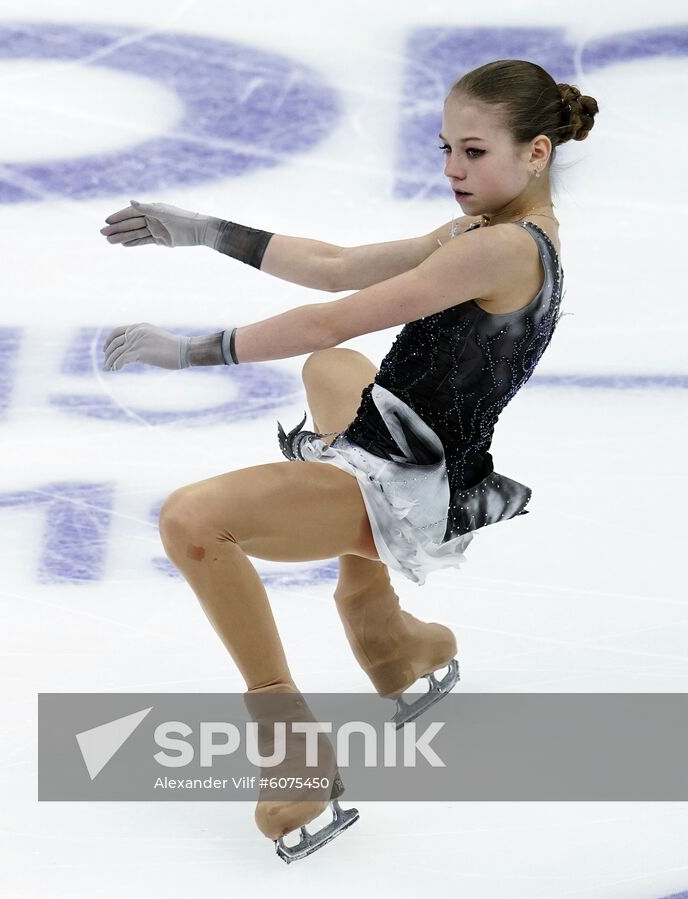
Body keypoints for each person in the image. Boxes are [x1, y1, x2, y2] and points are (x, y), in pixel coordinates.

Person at [97, 59, 596, 862]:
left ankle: (291, 745)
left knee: (192, 520)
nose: (451, 170)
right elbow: (336, 266)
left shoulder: (500, 251)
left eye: (473, 151)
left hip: (408, 488)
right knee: (332, 379)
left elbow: (336, 315)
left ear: (536, 152)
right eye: (445, 148)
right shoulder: (485, 231)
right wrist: (206, 232)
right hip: (406, 438)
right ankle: (387, 636)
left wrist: (193, 351)